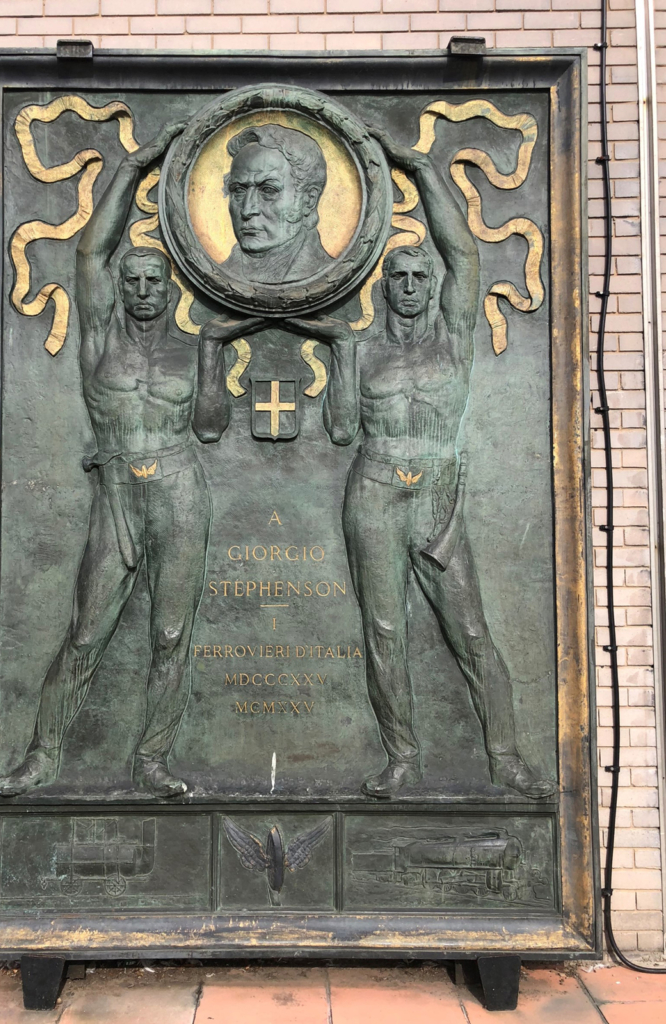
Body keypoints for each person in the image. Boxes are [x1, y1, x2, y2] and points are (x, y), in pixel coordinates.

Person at [286, 128, 556, 801]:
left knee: (469, 630)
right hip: (374, 489)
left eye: (418, 277)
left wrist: (422, 167)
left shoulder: (452, 340)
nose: (408, 285)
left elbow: (464, 253)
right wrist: (341, 360)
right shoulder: (365, 349)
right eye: (397, 277)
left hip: (436, 491)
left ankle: (508, 759)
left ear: (433, 289)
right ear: (386, 290)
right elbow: (343, 428)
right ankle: (402, 760)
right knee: (383, 630)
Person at [0, 123, 219, 799]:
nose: (146, 288)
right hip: (119, 489)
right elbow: (91, 252)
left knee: (171, 633)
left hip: (179, 487)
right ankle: (43, 754)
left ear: (170, 288)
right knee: (86, 632)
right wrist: (138, 164)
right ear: (121, 288)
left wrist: (212, 369)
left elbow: (211, 426)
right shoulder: (99, 341)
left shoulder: (191, 346)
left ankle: (152, 760)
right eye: (136, 279)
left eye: (157, 279)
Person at [221, 124, 335, 285]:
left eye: (268, 190)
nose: (247, 210)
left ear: (309, 199)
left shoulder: (328, 273)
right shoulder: (217, 275)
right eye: (239, 190)